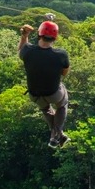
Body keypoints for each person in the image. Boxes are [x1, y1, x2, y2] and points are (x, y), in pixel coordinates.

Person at [19, 16, 71, 148]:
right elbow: (64, 73)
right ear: (56, 37)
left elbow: (21, 49)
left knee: (46, 109)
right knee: (62, 103)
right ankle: (56, 135)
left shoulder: (28, 52)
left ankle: (56, 135)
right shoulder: (60, 54)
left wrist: (25, 35)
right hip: (53, 93)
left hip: (35, 94)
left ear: (39, 34)